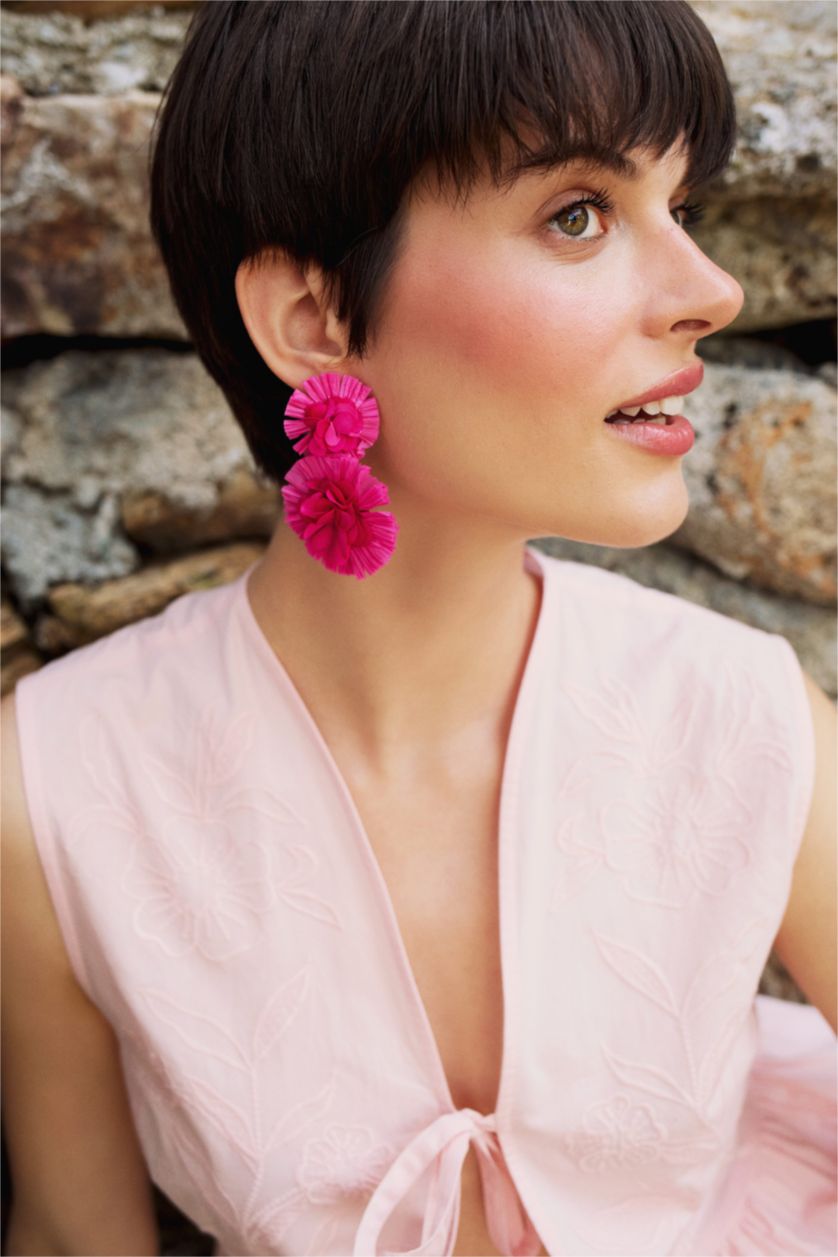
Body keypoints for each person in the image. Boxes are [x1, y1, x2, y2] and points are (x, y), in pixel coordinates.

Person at [2, 1, 836, 1254]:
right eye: (578, 215)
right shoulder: (51, 795)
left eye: (684, 209)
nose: (708, 292)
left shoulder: (748, 724)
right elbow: (75, 1240)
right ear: (316, 321)